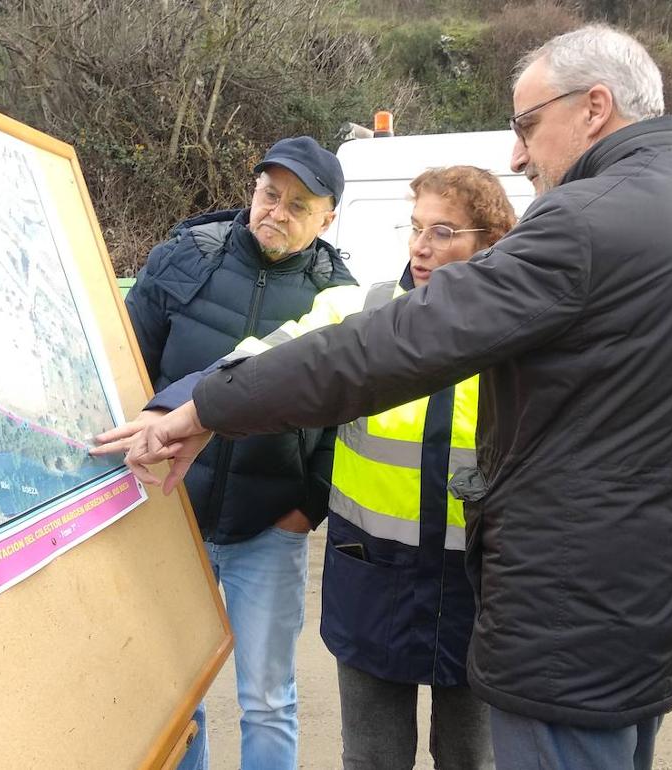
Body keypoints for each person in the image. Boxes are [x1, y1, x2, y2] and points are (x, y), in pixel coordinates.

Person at [99, 25, 672, 770]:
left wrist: (208, 408)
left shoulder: (586, 219)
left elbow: (388, 349)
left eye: (526, 126)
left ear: (594, 107)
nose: (518, 154)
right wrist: (630, 498)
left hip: (557, 614)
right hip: (645, 612)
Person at [124, 166, 515, 768]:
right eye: (415, 229)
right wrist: (178, 410)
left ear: (491, 241)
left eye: (443, 232)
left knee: (471, 757)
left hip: (476, 587)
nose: (420, 246)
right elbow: (262, 359)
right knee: (373, 758)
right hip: (376, 582)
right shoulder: (359, 306)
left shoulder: (520, 333)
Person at [123, 136, 356, 770]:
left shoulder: (339, 298)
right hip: (173, 517)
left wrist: (305, 506)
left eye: (298, 205)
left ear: (328, 217)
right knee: (176, 691)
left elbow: (347, 423)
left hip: (268, 525)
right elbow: (126, 365)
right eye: (268, 194)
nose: (276, 212)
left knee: (266, 698)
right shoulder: (184, 260)